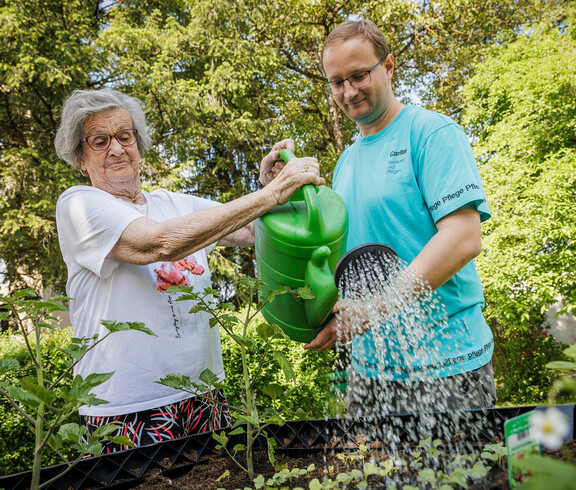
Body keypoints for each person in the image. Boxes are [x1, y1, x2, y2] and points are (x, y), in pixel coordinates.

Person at [54, 88, 324, 452]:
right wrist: (271, 194)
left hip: (204, 397)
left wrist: (267, 188)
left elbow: (249, 228)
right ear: (80, 158)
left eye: (124, 136)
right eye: (99, 141)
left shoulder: (172, 203)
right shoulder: (80, 204)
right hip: (128, 408)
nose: (116, 149)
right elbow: (157, 243)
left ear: (139, 144)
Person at [302, 19, 497, 416]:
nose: (348, 91)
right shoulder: (347, 162)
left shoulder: (431, 134)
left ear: (388, 67)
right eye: (336, 82)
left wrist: (374, 309)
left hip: (448, 365)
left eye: (359, 75)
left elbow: (463, 238)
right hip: (371, 371)